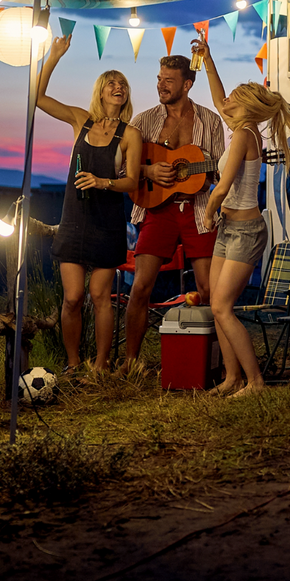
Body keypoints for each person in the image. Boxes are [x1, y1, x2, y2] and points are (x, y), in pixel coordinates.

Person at [195, 37, 290, 396]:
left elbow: (222, 186)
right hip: (231, 228)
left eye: (232, 96)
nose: (224, 101)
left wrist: (209, 213)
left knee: (222, 305)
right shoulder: (240, 130)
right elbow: (217, 99)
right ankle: (232, 378)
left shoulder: (245, 136)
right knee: (218, 308)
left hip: (245, 230)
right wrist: (208, 58)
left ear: (244, 105)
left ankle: (256, 382)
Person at [36, 34, 143, 375]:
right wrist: (53, 56)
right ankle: (72, 364)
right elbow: (37, 98)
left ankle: (100, 366)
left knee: (100, 297)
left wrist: (102, 182)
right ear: (100, 91)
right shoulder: (80, 120)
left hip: (107, 223)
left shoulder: (130, 135)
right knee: (72, 298)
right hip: (74, 220)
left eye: (122, 83)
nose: (118, 86)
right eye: (111, 82)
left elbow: (132, 182)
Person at [119, 54, 225, 374]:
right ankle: (130, 362)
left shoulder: (209, 121)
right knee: (140, 287)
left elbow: (221, 170)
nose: (160, 85)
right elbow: (121, 166)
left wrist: (208, 173)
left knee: (209, 291)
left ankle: (213, 364)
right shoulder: (144, 121)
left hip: (200, 212)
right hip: (158, 210)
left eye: (168, 80)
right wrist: (149, 170)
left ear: (187, 84)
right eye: (159, 78)